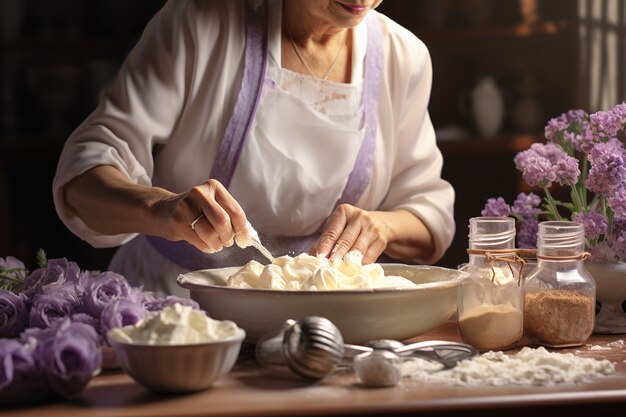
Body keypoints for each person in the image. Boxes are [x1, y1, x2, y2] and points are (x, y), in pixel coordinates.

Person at [53, 0, 455, 297]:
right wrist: (161, 208)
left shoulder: (404, 57)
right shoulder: (199, 24)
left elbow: (430, 217)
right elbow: (83, 178)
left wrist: (381, 226)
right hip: (173, 308)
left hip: (324, 325)